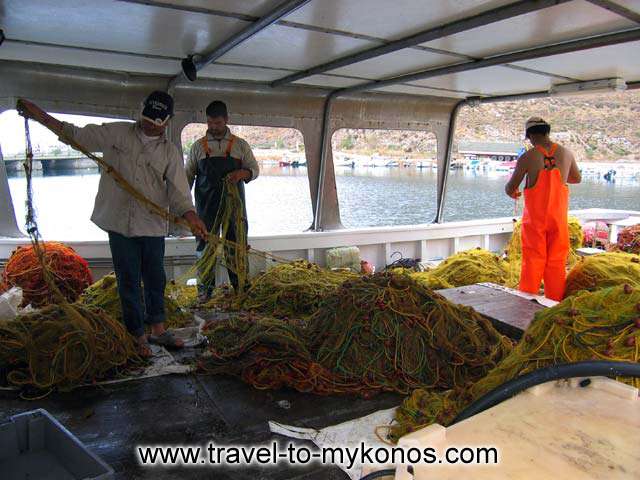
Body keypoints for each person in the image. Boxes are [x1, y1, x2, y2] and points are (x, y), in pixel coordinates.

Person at [18, 92, 208, 356]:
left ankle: (159, 330)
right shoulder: (117, 133)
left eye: (156, 122)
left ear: (167, 122)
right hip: (119, 223)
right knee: (128, 278)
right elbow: (79, 136)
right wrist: (40, 116)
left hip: (152, 225)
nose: (150, 125)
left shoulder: (169, 152)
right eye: (147, 119)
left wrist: (191, 216)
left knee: (155, 278)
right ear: (141, 112)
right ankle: (137, 335)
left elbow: (179, 193)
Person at [186, 101, 259, 299]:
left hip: (234, 209)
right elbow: (187, 179)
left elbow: (254, 170)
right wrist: (186, 210)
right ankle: (205, 293)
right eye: (210, 123)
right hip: (206, 208)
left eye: (217, 123)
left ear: (226, 120)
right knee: (205, 248)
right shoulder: (197, 148)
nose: (213, 127)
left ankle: (241, 290)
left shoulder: (240, 145)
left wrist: (241, 173)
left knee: (235, 247)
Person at [505, 116, 581, 301]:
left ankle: (526, 302)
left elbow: (510, 188)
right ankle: (554, 303)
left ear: (530, 135)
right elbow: (576, 178)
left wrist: (514, 193)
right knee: (556, 262)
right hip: (558, 220)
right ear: (547, 131)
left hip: (536, 222)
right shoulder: (566, 153)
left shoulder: (528, 157)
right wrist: (560, 176)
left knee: (533, 261)